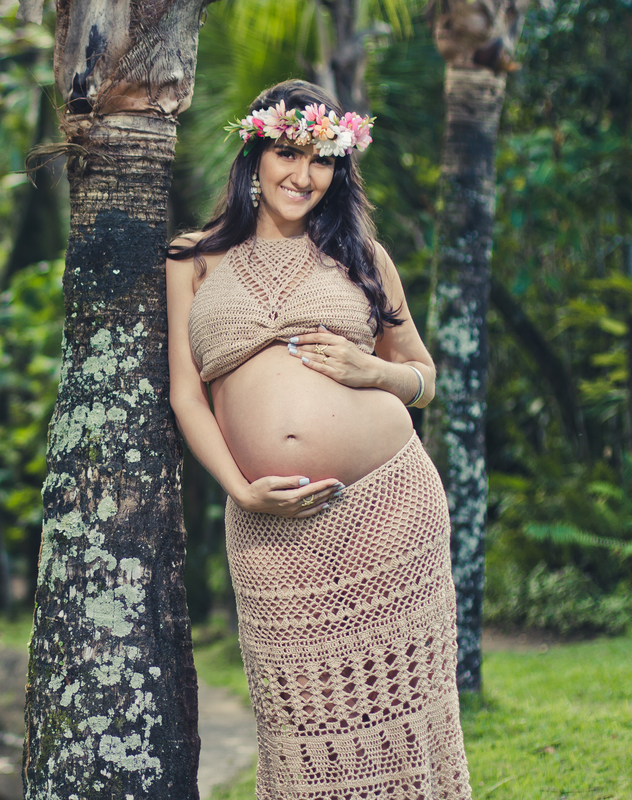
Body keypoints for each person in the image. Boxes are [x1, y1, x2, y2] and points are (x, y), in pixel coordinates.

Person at [166, 80, 472, 798]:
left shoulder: (364, 256)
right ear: (254, 155)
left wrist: (372, 370)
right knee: (300, 715)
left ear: (340, 170)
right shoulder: (193, 258)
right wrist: (241, 489)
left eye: (322, 160)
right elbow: (187, 394)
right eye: (286, 154)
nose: (302, 175)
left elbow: (425, 377)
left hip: (390, 506)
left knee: (398, 704)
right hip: (269, 521)